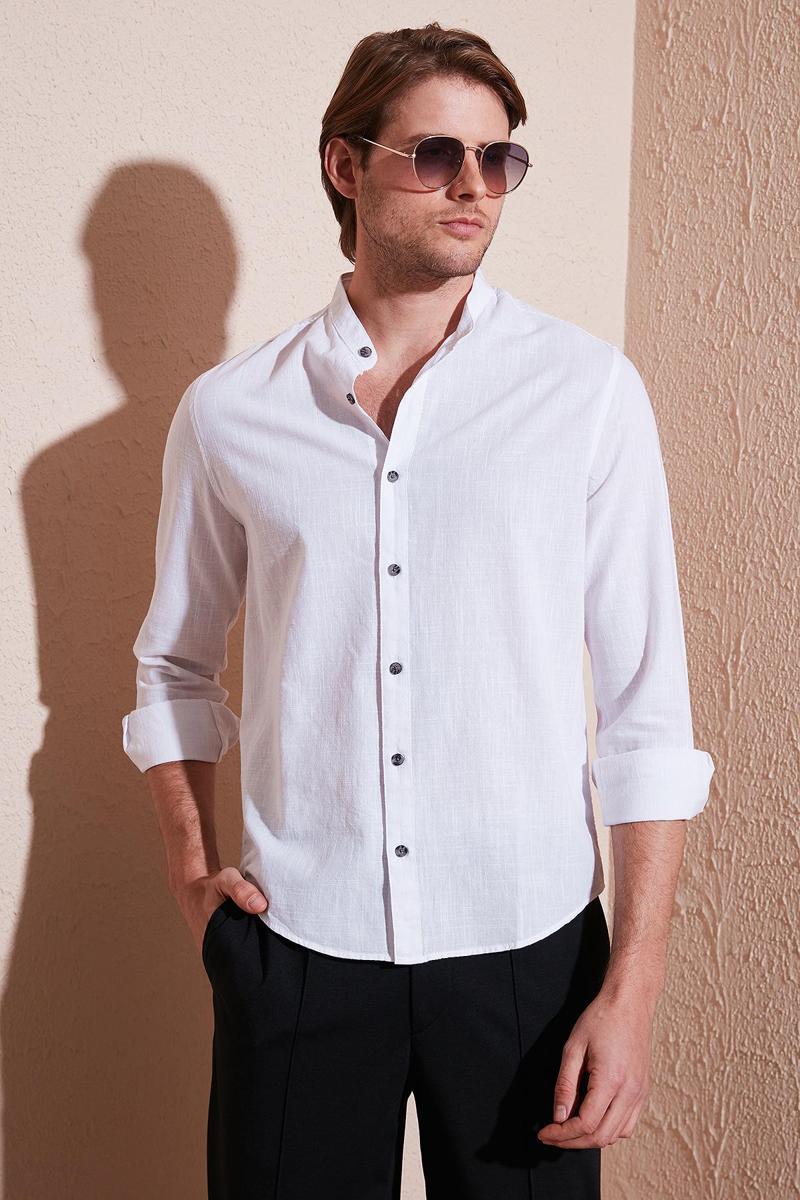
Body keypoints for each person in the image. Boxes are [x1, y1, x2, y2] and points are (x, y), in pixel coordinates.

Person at [121, 21, 715, 1200]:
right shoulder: (230, 412)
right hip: (299, 946)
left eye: (498, 158)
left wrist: (632, 984)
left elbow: (646, 708)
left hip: (528, 953)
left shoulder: (585, 393)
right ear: (344, 165)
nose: (473, 187)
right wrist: (197, 885)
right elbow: (174, 668)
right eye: (436, 154)